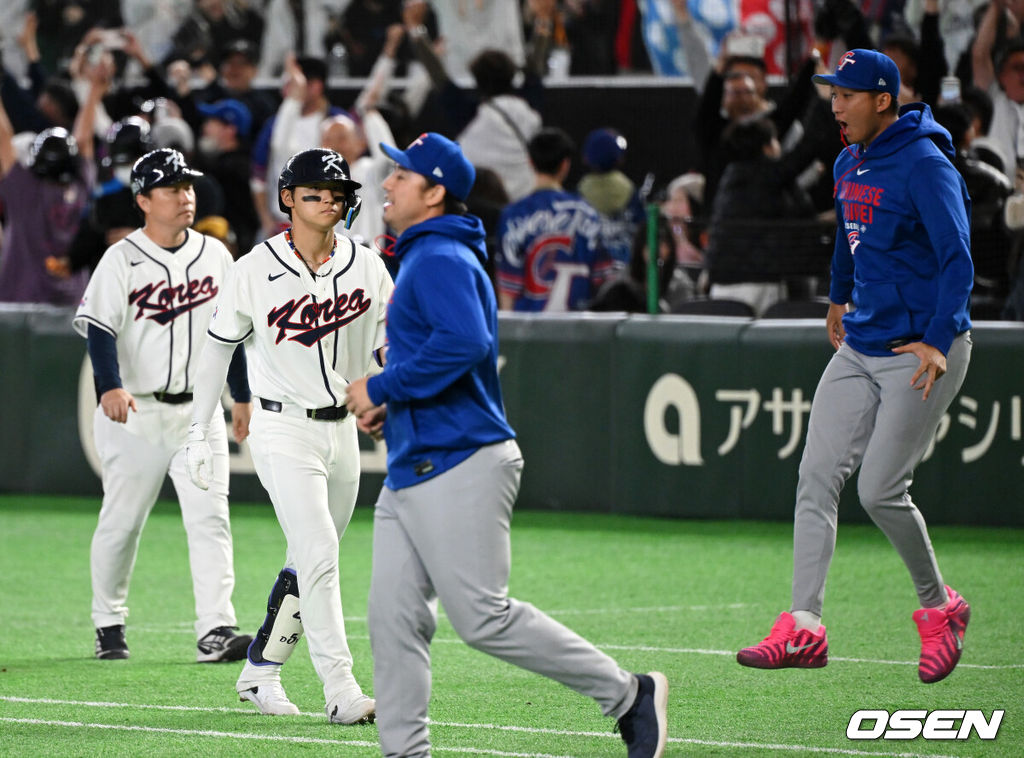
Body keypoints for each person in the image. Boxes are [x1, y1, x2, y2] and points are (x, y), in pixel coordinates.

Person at [343, 131, 668, 757]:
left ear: (434, 193)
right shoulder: (429, 252)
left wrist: (381, 385)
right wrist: (394, 404)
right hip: (418, 462)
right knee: (392, 619)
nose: (388, 182)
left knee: (483, 618)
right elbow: (444, 350)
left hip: (459, 459)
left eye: (403, 175)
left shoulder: (439, 255)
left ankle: (629, 695)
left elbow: (464, 343)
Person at [736, 50, 975, 685]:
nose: (835, 105)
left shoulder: (925, 163)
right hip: (862, 343)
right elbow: (849, 237)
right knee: (815, 476)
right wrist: (838, 296)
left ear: (882, 100)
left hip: (920, 351)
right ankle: (804, 627)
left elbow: (958, 259)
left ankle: (940, 608)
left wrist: (939, 340)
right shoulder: (849, 161)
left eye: (847, 95)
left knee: (879, 490)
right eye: (833, 93)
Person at [184, 148, 392, 724]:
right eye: (313, 193)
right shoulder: (254, 267)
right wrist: (200, 429)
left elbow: (388, 342)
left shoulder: (367, 264)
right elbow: (218, 348)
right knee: (319, 552)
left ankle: (260, 671)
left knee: (308, 560)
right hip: (281, 426)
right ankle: (341, 689)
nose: (327, 201)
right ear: (287, 200)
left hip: (343, 430)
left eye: (336, 193)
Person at [71, 147, 252, 662]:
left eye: (188, 187)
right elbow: (100, 328)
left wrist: (241, 395)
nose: (185, 196)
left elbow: (230, 331)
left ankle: (216, 628)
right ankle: (108, 622)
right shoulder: (121, 258)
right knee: (123, 522)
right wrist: (108, 385)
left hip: (199, 414)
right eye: (172, 189)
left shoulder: (215, 254)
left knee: (211, 519)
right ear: (144, 200)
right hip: (137, 413)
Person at [496, 127, 612, 311]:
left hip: (528, 326)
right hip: (579, 325)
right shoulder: (587, 213)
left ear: (530, 162)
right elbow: (603, 283)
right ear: (565, 165)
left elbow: (508, 290)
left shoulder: (513, 215)